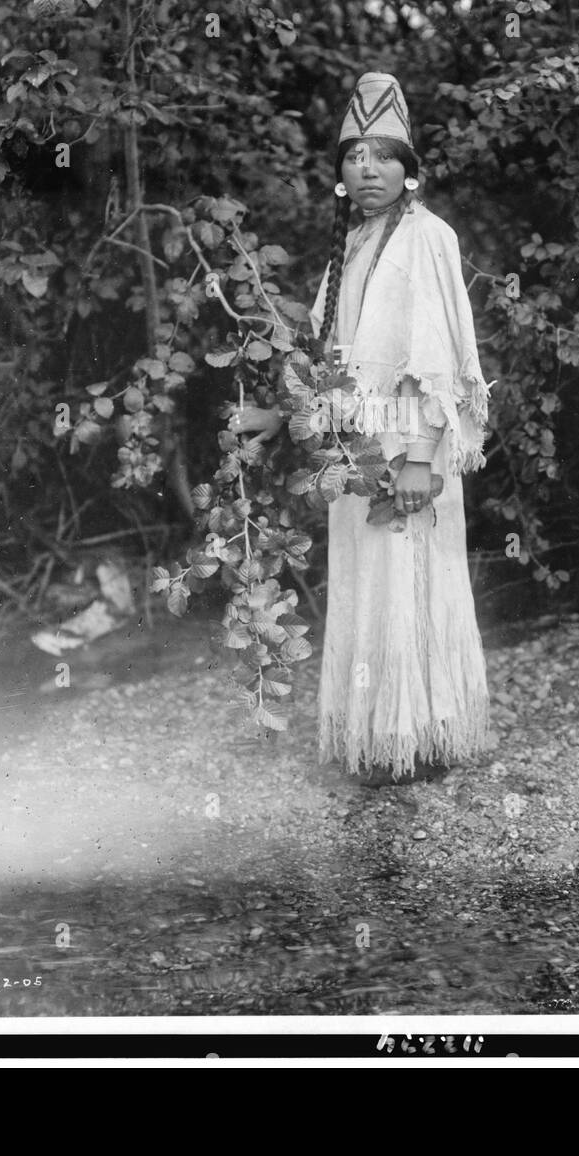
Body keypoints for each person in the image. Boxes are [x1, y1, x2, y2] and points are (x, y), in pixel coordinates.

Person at [231, 72, 493, 786]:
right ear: (341, 174)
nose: (366, 168)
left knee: (413, 580)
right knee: (367, 583)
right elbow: (322, 366)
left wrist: (422, 456)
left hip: (410, 441)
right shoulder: (343, 251)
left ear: (411, 171)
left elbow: (442, 354)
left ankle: (422, 737)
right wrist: (271, 419)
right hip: (355, 444)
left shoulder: (429, 237)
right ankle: (384, 740)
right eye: (354, 156)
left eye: (382, 155)